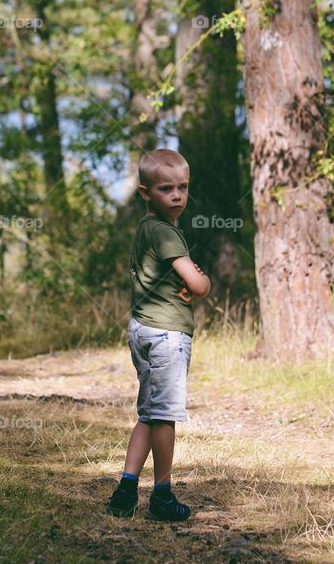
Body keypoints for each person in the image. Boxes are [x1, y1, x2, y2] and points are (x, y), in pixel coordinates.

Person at [105, 149, 211, 521]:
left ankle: (125, 490)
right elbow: (197, 285)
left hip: (143, 329)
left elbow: (160, 278)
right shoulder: (167, 233)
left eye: (183, 187)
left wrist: (181, 281)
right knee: (164, 417)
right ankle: (162, 495)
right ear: (146, 193)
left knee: (148, 415)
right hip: (166, 334)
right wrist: (201, 279)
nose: (178, 196)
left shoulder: (146, 227)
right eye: (167, 189)